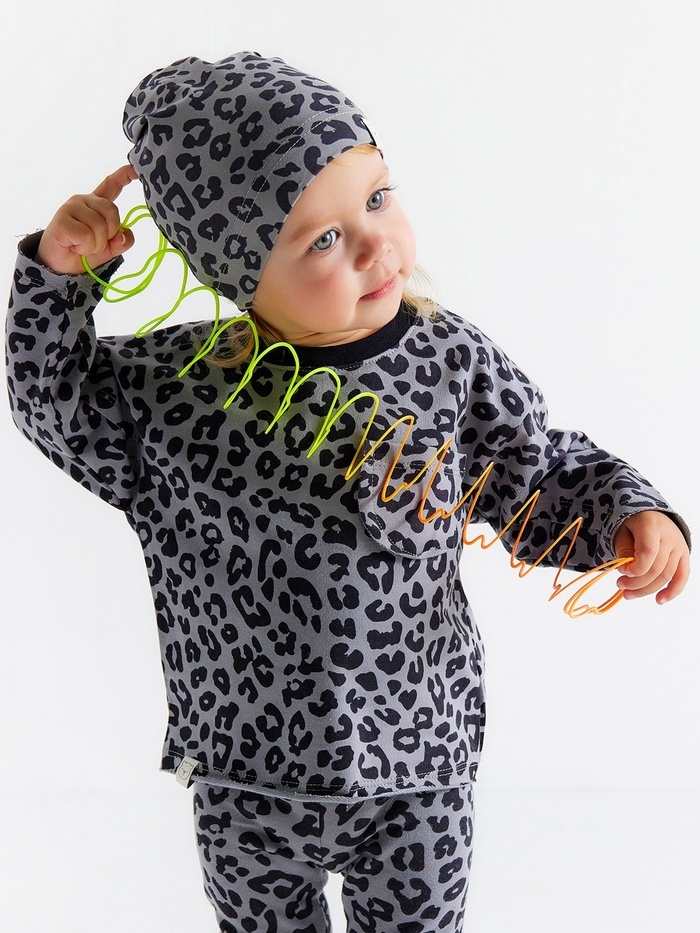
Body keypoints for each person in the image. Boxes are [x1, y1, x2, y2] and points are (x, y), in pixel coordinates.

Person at [5, 52, 690, 933]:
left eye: (377, 198)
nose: (375, 244)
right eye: (322, 239)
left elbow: (535, 471)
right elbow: (55, 400)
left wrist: (628, 512)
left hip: (419, 763)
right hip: (247, 774)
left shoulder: (447, 361)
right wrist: (60, 278)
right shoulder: (180, 391)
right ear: (236, 269)